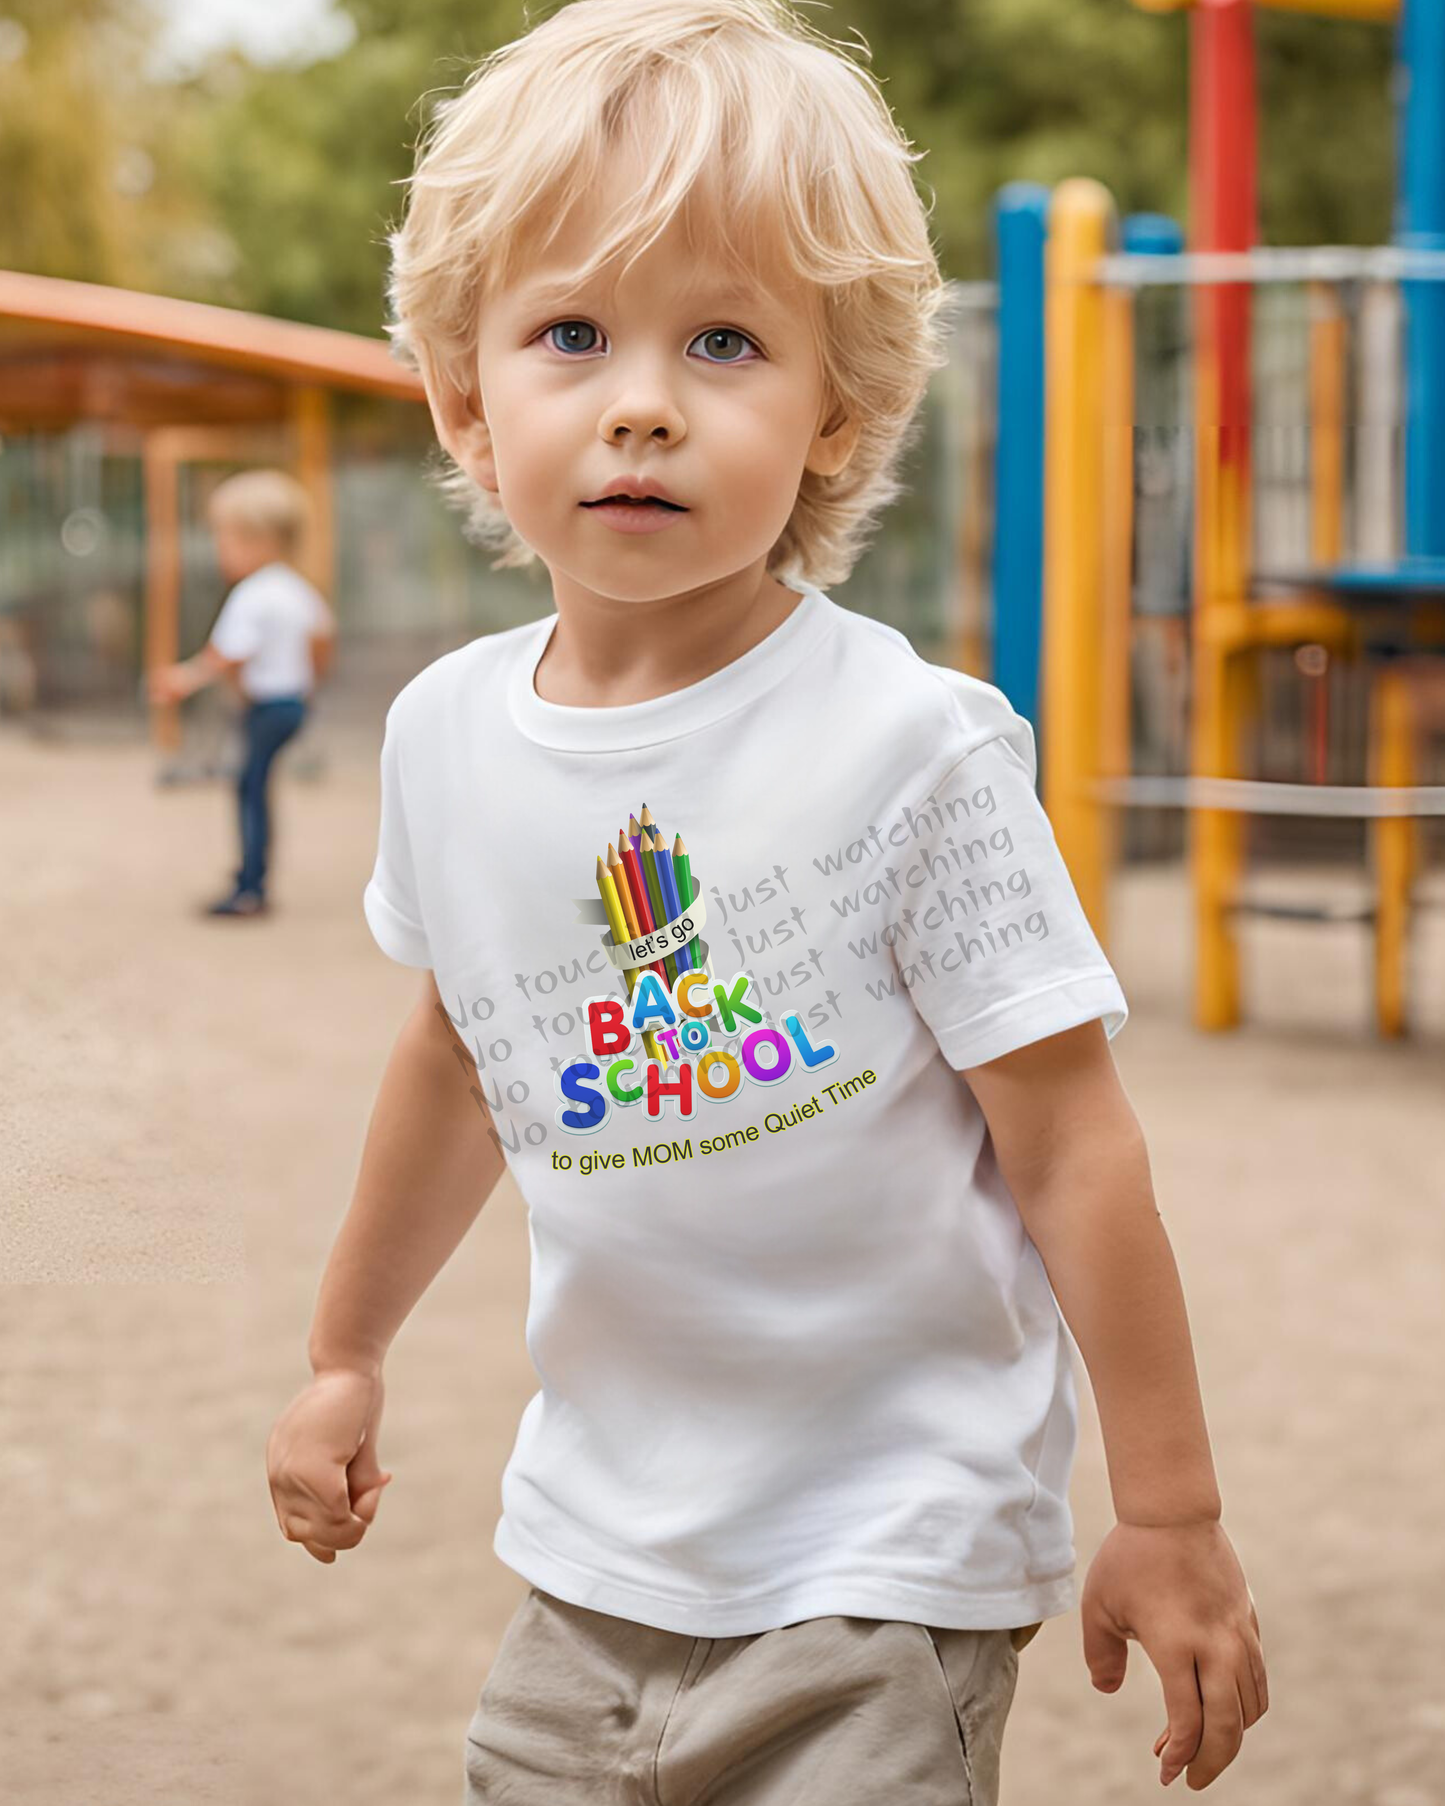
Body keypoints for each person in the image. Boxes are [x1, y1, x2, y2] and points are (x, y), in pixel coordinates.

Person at [265, 3, 1268, 1799]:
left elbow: (1075, 1150)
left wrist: (1169, 1509)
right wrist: (346, 1351)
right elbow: (459, 1053)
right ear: (466, 401)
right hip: (589, 1547)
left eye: (723, 339)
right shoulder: (439, 739)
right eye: (570, 331)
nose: (641, 395)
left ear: (837, 416)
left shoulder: (912, 747)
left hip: (889, 1554)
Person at [148, 469, 337, 918]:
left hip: (266, 706)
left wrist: (183, 679)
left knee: (248, 787)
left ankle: (251, 887)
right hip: (291, 705)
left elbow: (228, 653)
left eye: (225, 539)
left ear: (257, 540)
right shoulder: (298, 589)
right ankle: (254, 874)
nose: (219, 551)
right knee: (256, 783)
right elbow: (323, 640)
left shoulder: (252, 594)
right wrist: (308, 687)